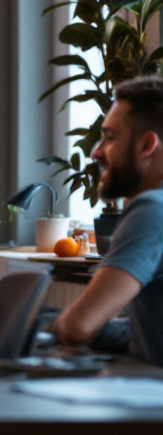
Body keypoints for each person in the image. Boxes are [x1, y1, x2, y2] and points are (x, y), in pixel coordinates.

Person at [52, 76, 163, 367]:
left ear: (147, 144)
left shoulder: (152, 209)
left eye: (110, 137)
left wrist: (50, 324)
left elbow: (78, 326)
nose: (96, 152)